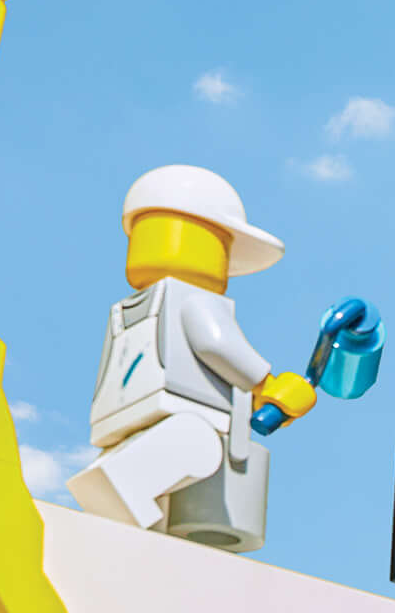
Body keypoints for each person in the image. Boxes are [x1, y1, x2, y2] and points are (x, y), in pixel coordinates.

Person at [72, 166, 319, 552]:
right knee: (198, 445)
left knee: (160, 490)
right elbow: (218, 346)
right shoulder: (197, 300)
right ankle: (122, 485)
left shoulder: (132, 306)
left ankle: (119, 494)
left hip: (122, 412)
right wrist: (266, 384)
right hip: (184, 410)